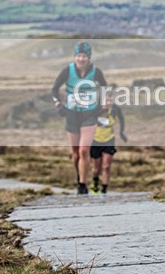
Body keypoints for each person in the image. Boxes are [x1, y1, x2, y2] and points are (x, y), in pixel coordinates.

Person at [51, 41, 107, 195]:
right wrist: (58, 105)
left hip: (89, 114)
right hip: (71, 114)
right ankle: (79, 176)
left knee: (83, 151)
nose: (81, 59)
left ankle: (83, 185)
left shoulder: (96, 72)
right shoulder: (67, 71)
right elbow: (55, 89)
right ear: (75, 57)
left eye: (84, 56)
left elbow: (104, 88)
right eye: (78, 56)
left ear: (89, 58)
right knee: (75, 153)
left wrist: (100, 106)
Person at [89, 90, 127, 194]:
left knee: (106, 166)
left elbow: (122, 119)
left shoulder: (115, 109)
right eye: (106, 99)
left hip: (109, 139)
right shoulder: (96, 108)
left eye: (110, 100)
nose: (108, 102)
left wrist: (122, 132)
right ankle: (95, 181)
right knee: (96, 168)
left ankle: (104, 188)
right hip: (95, 140)